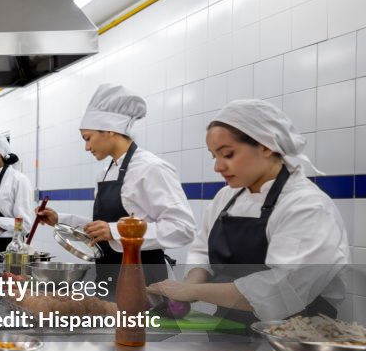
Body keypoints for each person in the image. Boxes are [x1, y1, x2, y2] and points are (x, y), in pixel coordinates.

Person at [147, 99, 350, 323]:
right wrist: (186, 287)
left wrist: (195, 292)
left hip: (297, 334)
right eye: (214, 156)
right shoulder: (226, 198)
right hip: (230, 325)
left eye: (228, 154)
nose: (217, 167)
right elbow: (203, 251)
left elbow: (282, 289)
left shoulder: (307, 206)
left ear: (266, 146)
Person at [35, 84, 196, 288]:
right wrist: (61, 220)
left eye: (88, 138)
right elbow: (103, 228)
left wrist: (116, 231)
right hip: (109, 276)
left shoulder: (150, 168)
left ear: (110, 130)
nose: (86, 147)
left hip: (146, 280)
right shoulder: (105, 172)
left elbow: (183, 229)